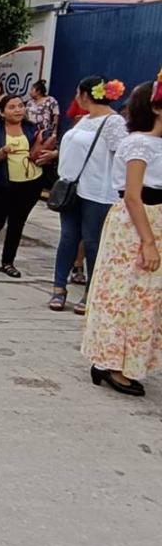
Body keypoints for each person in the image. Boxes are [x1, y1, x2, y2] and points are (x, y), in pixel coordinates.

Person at [81, 77, 162, 396]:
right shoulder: (138, 144)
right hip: (136, 222)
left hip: (152, 220)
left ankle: (122, 360)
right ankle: (111, 363)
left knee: (145, 297)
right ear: (155, 107)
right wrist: (148, 240)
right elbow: (133, 195)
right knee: (124, 294)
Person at [50, 76, 129, 314]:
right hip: (72, 189)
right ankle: (59, 288)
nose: (76, 98)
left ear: (86, 95)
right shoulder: (84, 120)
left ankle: (90, 293)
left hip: (98, 193)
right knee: (67, 240)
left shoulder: (114, 123)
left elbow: (124, 157)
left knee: (92, 242)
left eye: (77, 93)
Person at [0, 95, 54, 279]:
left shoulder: (31, 128)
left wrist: (49, 153)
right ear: (2, 112)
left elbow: (42, 148)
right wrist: (3, 152)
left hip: (30, 184)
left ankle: (7, 262)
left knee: (17, 224)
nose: (18, 110)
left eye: (20, 106)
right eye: (12, 107)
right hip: (3, 185)